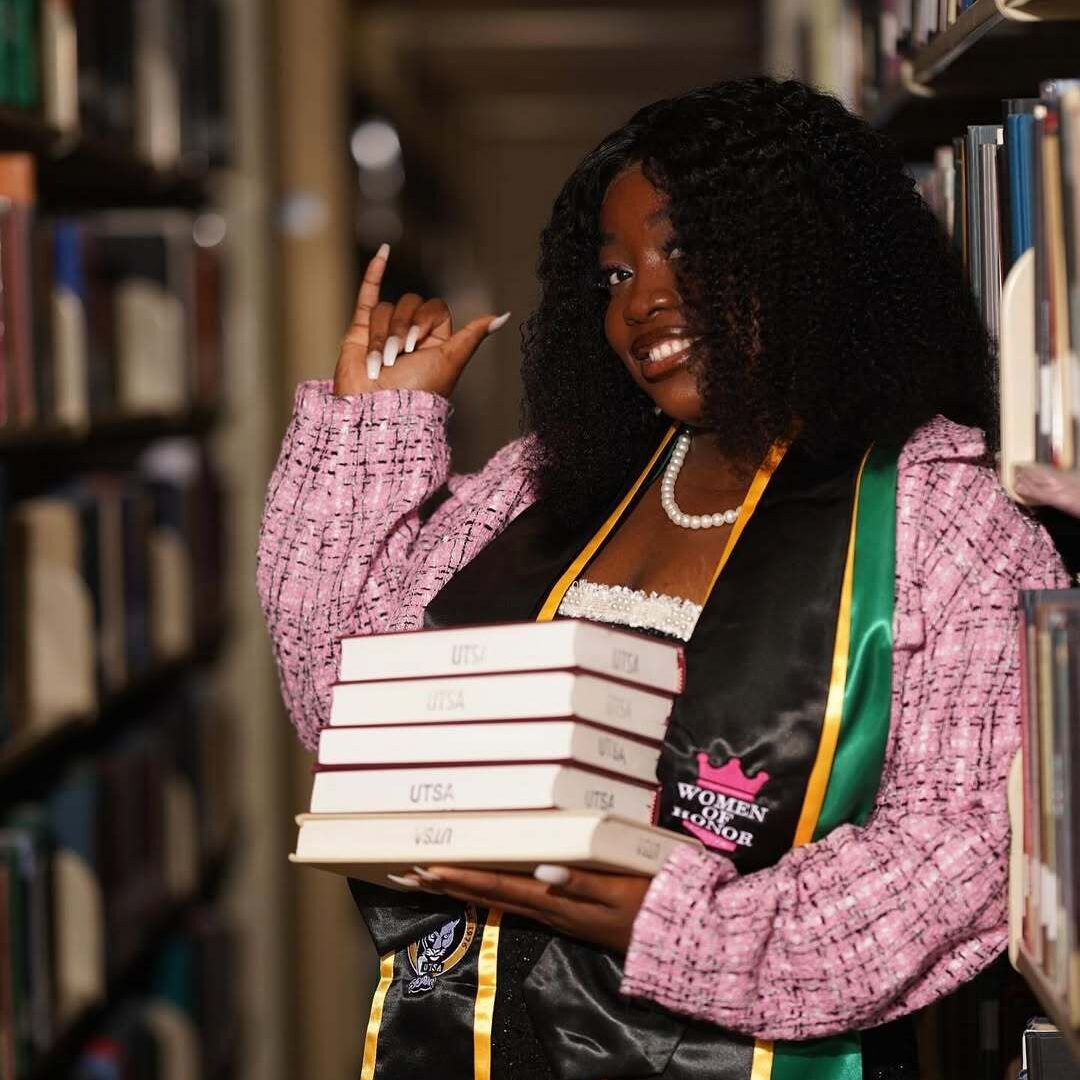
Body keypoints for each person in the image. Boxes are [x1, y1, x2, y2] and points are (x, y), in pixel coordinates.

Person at [257, 77, 1068, 1080]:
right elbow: (353, 723)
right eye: (612, 276)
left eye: (685, 251)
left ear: (806, 253)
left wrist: (689, 926)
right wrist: (372, 431)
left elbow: (967, 852)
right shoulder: (538, 487)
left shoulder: (941, 520)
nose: (642, 301)